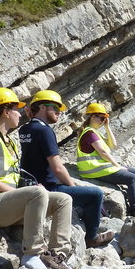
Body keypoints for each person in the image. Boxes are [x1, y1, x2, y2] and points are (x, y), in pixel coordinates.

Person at [0, 88, 72, 269]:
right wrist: (29, 193)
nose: (20, 113)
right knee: (38, 193)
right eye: (16, 108)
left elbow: (12, 176)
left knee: (63, 200)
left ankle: (58, 255)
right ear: (6, 111)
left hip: (5, 204)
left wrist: (29, 187)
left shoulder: (9, 141)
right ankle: (32, 253)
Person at [19, 90, 114, 249]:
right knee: (96, 194)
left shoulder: (24, 129)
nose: (58, 112)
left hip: (31, 184)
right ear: (42, 107)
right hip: (48, 187)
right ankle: (92, 237)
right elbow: (57, 167)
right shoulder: (45, 130)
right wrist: (72, 186)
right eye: (54, 108)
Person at [76, 102, 135, 216]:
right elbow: (103, 153)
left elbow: (113, 144)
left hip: (101, 167)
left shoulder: (94, 133)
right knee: (133, 178)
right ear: (93, 116)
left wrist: (107, 127)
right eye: (102, 118)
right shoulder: (89, 133)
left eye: (104, 119)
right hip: (94, 170)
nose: (103, 120)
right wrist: (118, 166)